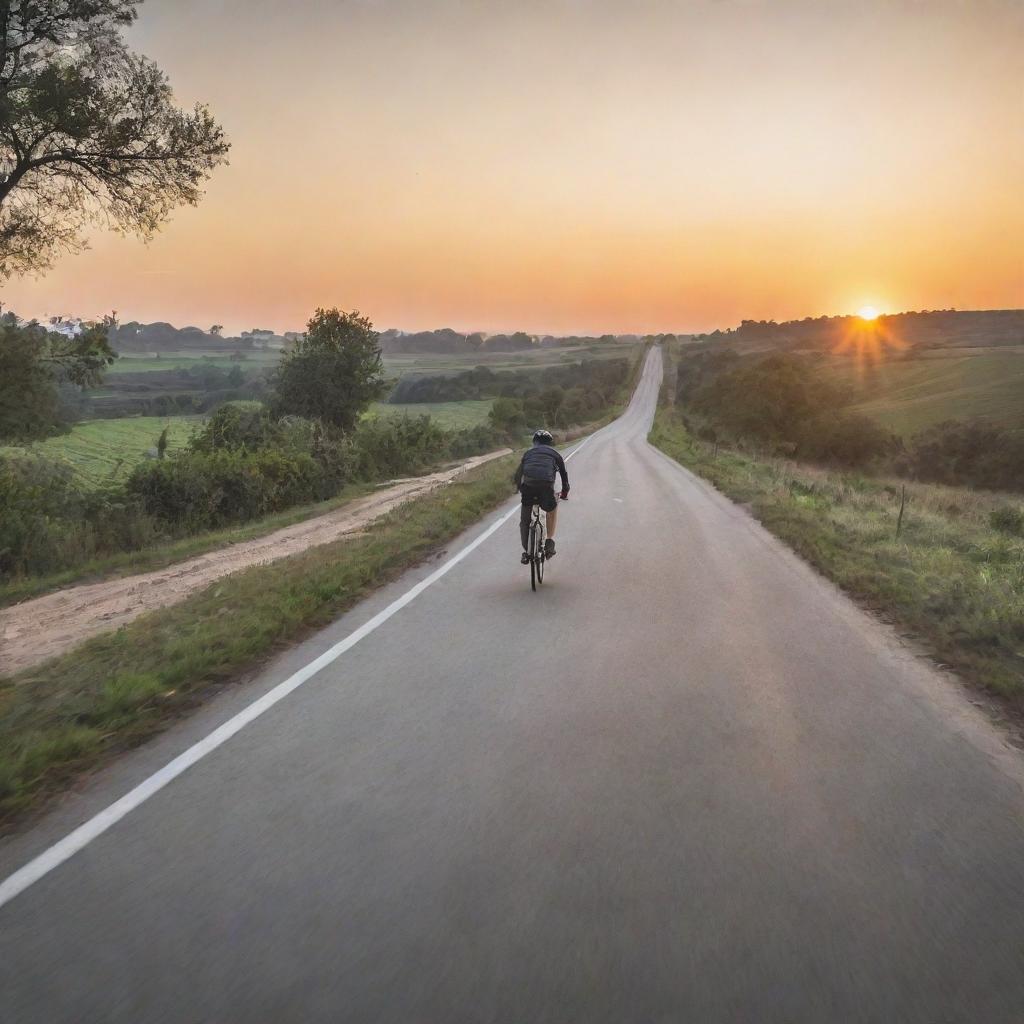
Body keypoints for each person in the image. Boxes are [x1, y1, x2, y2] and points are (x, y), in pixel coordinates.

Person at [514, 429, 569, 563]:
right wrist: (564, 492)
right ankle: (549, 542)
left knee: (525, 521)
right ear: (550, 443)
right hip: (546, 487)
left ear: (534, 442)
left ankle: (527, 552)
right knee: (552, 508)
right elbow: (564, 475)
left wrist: (520, 489)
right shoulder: (555, 454)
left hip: (528, 488)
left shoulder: (527, 454)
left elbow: (517, 475)